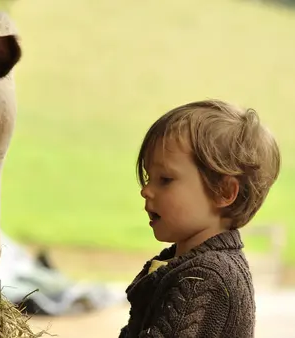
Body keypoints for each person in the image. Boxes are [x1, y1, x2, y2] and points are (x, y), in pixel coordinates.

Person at [119, 99, 281, 337]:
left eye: (165, 179)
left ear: (223, 192)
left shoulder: (206, 277)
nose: (146, 190)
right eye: (147, 176)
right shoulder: (188, 264)